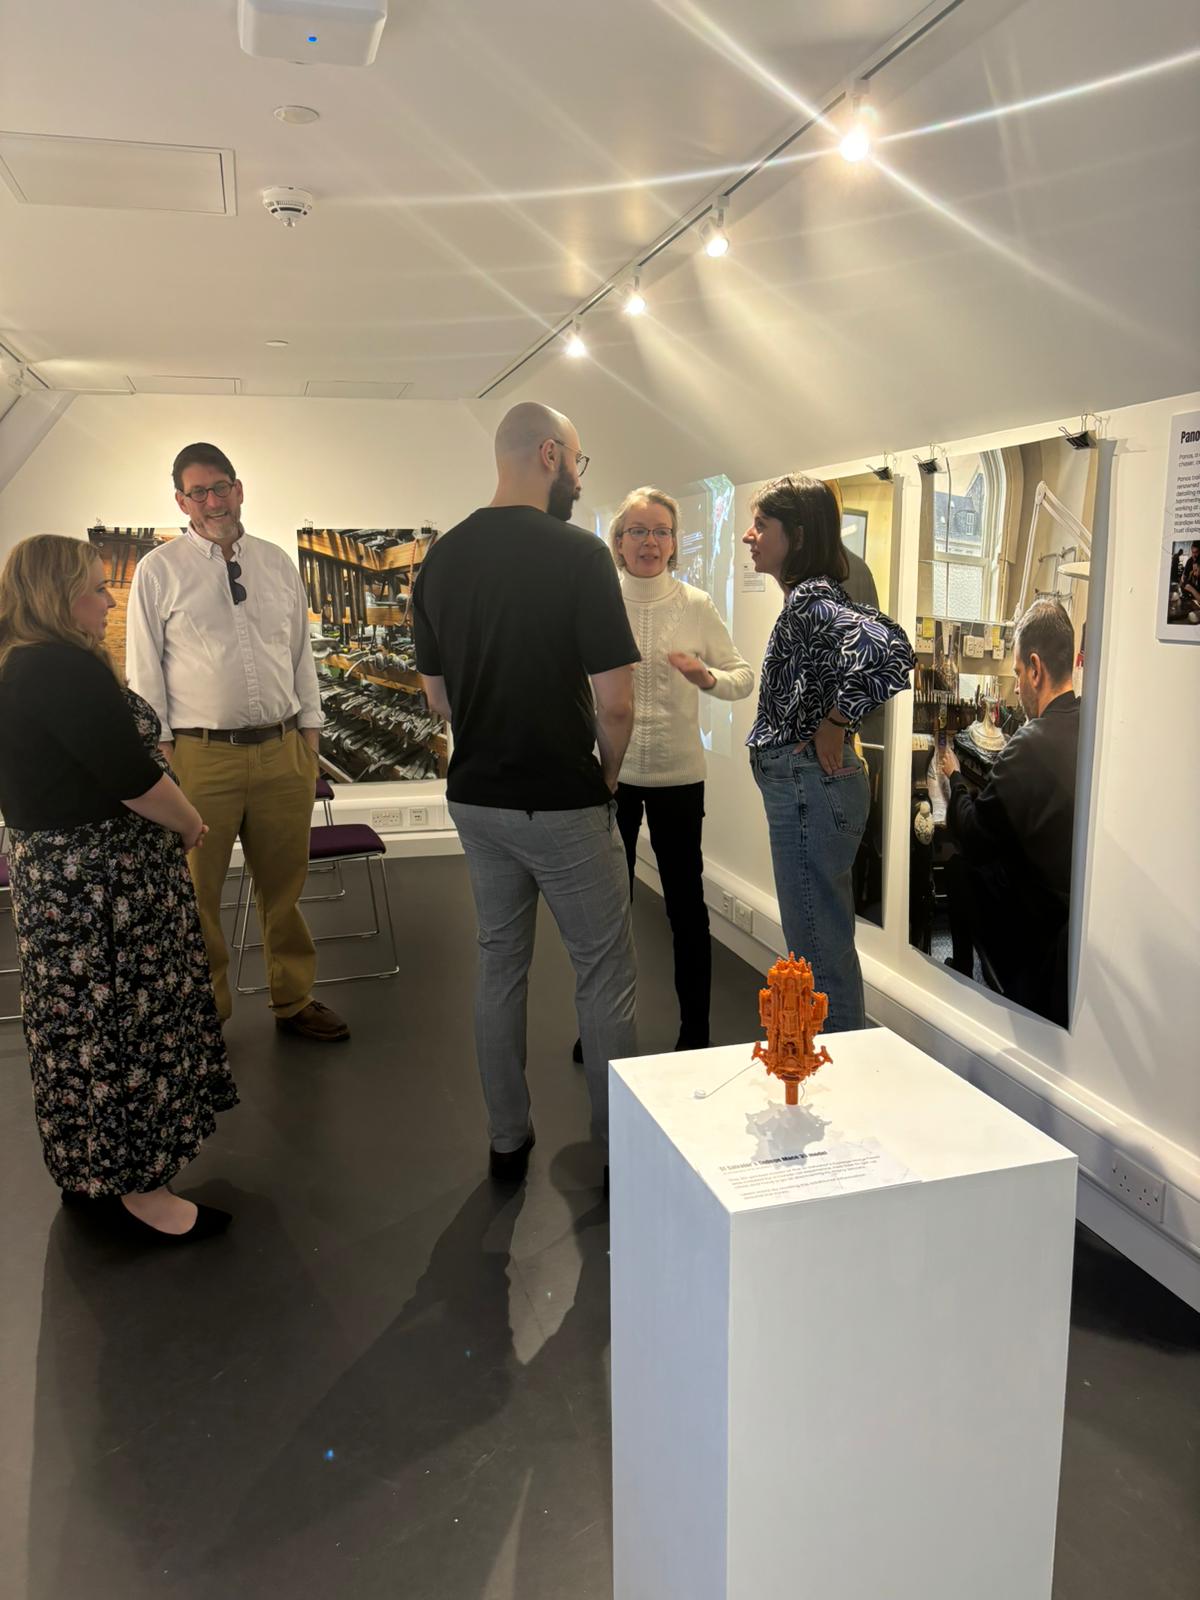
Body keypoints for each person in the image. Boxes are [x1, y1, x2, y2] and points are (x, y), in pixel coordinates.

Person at [413, 402, 638, 1184]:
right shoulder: (579, 557)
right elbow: (615, 701)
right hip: (563, 800)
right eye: (578, 459)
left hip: (476, 797)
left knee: (500, 963)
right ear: (551, 454)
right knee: (604, 973)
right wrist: (607, 773)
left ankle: (507, 1137)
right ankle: (618, 1151)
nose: (578, 475)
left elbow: (437, 699)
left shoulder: (440, 561)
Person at [0, 535, 237, 1241]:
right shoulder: (61, 668)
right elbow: (129, 777)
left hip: (59, 882)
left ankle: (91, 1170)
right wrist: (191, 820)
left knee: (77, 1031)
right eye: (95, 588)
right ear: (57, 594)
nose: (107, 600)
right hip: (103, 889)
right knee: (124, 1031)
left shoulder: (18, 663)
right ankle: (143, 1193)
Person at [126, 443, 349, 1042]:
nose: (213, 500)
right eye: (198, 491)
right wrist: (163, 754)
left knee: (286, 884)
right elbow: (144, 674)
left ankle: (293, 998)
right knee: (198, 891)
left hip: (283, 751)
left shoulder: (277, 564)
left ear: (240, 488)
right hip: (200, 756)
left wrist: (309, 733)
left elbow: (301, 657)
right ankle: (208, 1013)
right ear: (181, 501)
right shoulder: (159, 570)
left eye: (221, 486)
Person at [744, 475, 915, 1032]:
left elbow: (892, 650)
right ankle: (840, 1077)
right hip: (808, 792)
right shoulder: (810, 599)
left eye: (761, 526)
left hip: (807, 794)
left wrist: (836, 722)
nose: (750, 536)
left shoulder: (812, 599)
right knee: (824, 948)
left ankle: (840, 1084)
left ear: (795, 534)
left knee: (817, 957)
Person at [607, 486, 753, 1051]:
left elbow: (741, 674)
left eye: (661, 531)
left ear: (675, 542)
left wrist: (708, 678)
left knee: (685, 908)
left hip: (677, 777)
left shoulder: (694, 604)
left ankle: (696, 1030)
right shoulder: (599, 601)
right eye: (638, 531)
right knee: (607, 910)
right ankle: (605, 1023)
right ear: (618, 542)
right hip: (610, 777)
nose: (650, 542)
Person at [940, 599, 1080, 1024]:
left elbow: (975, 834)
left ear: (1035, 669)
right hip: (1069, 909)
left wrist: (955, 779)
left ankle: (964, 968)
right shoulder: (1091, 724)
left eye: (1018, 674)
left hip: (1035, 923)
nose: (1017, 687)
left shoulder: (1029, 743)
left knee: (958, 862)